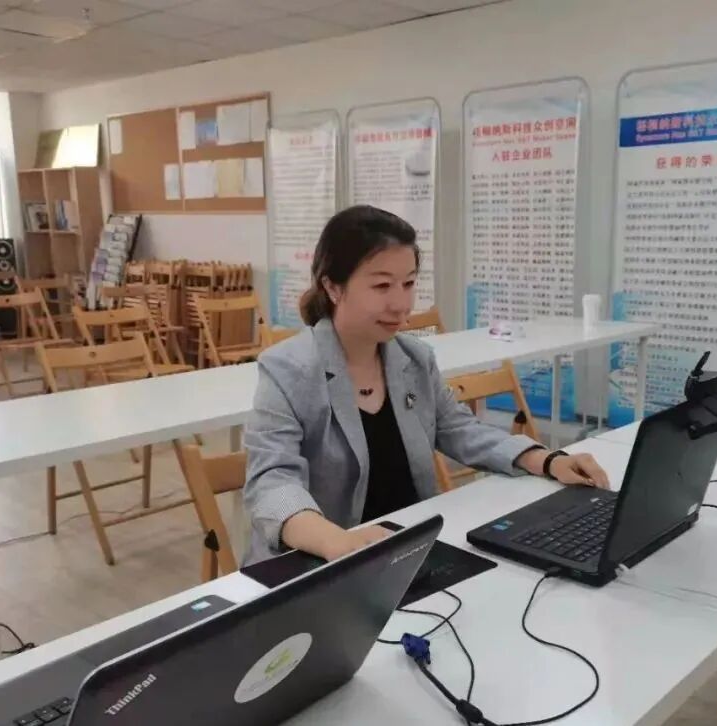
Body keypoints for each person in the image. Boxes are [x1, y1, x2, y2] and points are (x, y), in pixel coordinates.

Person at [243, 205, 609, 564]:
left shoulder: (413, 358)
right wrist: (336, 541)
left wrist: (547, 460)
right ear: (333, 287)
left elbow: (459, 429)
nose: (401, 304)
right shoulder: (287, 369)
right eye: (382, 285)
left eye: (409, 283)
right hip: (321, 563)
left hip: (407, 552)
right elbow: (272, 482)